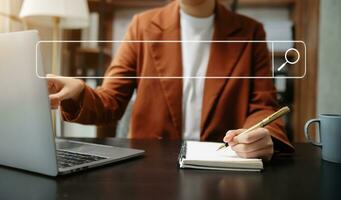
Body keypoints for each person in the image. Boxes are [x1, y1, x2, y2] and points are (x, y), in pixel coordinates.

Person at [47, 0, 294, 160]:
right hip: (151, 171)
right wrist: (79, 91)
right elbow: (110, 101)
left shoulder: (251, 32)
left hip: (225, 167)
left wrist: (263, 134)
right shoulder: (142, 26)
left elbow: (263, 106)